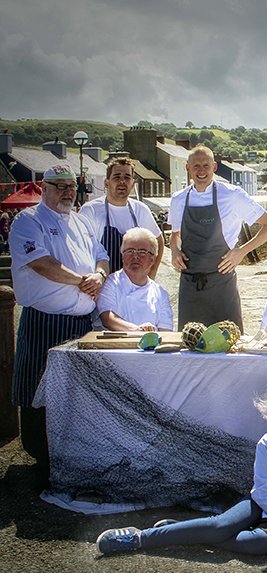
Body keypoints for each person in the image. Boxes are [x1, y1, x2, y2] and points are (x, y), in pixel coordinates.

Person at [96, 376, 267, 555]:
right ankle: (139, 538)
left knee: (251, 544)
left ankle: (186, 530)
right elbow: (263, 492)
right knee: (219, 527)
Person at [9, 164, 110, 483]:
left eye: (72, 186)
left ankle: (74, 452)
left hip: (82, 322)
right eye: (60, 186)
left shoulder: (81, 221)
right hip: (45, 321)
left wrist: (100, 275)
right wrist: (82, 281)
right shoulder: (28, 220)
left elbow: (101, 254)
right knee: (37, 382)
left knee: (76, 391)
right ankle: (39, 453)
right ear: (44, 188)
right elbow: (41, 263)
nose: (68, 192)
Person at [169, 146, 267, 332]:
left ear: (214, 166)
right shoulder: (178, 199)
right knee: (190, 349)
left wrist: (241, 252)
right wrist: (174, 250)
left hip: (222, 285)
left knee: (229, 347)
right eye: (196, 166)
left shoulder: (232, 195)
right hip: (189, 286)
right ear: (187, 168)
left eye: (206, 165)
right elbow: (175, 234)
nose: (201, 171)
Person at [78, 157, 164, 278]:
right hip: (102, 286)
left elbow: (158, 240)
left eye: (127, 177)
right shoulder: (90, 210)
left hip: (134, 285)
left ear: (133, 184)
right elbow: (80, 248)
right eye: (117, 177)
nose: (122, 181)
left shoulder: (140, 209)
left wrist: (151, 273)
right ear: (106, 183)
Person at [97, 227, 173, 332]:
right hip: (117, 346)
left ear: (153, 259)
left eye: (142, 252)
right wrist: (136, 330)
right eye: (130, 251)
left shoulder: (161, 294)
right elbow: (107, 318)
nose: (135, 257)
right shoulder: (111, 283)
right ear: (122, 256)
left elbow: (166, 331)